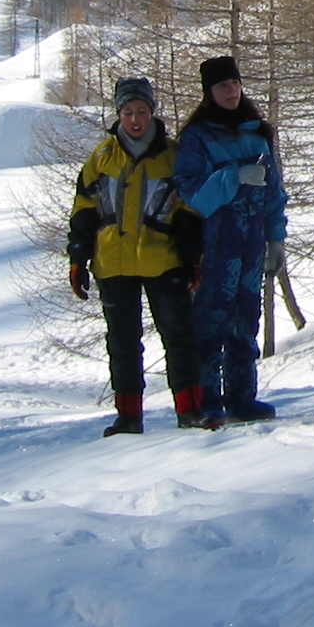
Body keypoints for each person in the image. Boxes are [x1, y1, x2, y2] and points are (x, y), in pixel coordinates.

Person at [69, 76, 205, 435]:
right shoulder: (101, 157)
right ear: (118, 114)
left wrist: (193, 259)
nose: (135, 119)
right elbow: (83, 208)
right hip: (113, 264)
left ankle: (189, 409)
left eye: (141, 111)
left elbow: (189, 212)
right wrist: (77, 256)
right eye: (128, 111)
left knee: (179, 336)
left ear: (152, 112)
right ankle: (128, 416)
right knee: (122, 342)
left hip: (164, 260)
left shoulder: (174, 156)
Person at [174, 57, 289, 427]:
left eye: (235, 84)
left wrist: (276, 239)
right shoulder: (197, 137)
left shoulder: (257, 132)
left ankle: (242, 396)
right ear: (210, 91)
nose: (231, 91)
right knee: (211, 320)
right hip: (216, 243)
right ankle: (206, 397)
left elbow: (275, 194)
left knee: (246, 320)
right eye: (223, 86)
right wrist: (235, 176)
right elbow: (194, 196)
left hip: (252, 242)